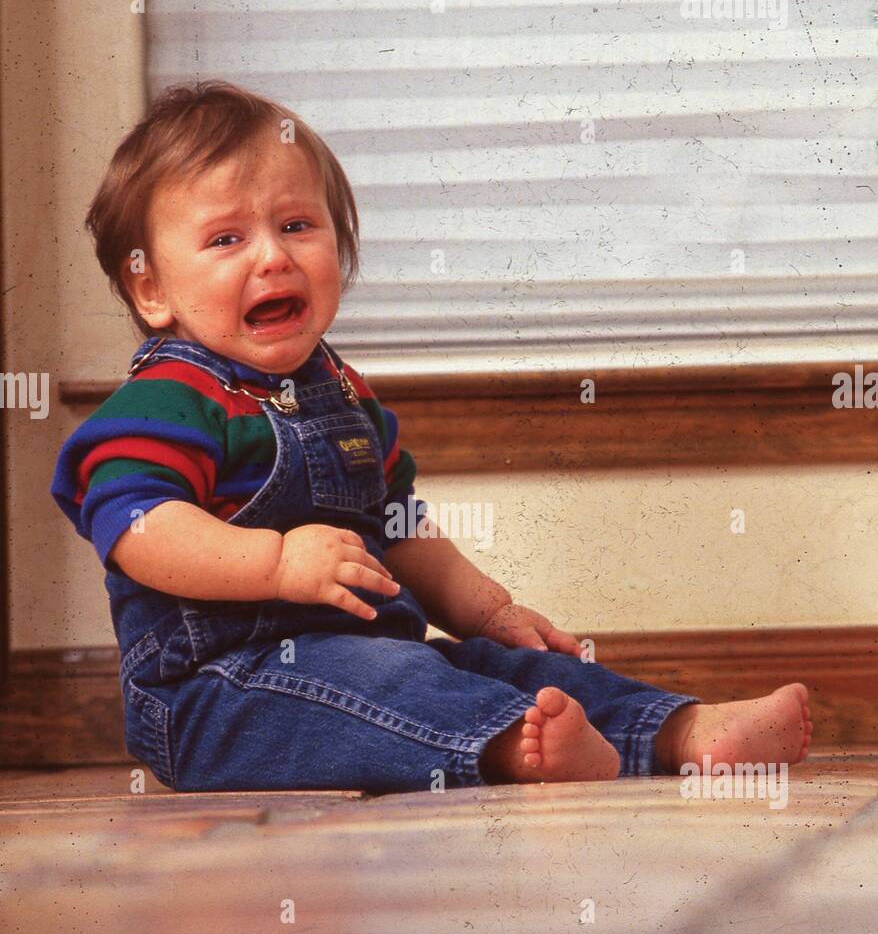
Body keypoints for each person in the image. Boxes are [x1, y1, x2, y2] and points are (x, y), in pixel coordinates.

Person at [50, 82, 812, 793]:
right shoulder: (163, 404)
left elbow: (401, 530)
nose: (274, 256)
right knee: (394, 688)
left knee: (503, 666)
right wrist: (276, 561)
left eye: (296, 226)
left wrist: (486, 610)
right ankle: (521, 752)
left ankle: (686, 732)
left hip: (375, 655)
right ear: (151, 288)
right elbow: (139, 531)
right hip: (220, 692)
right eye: (225, 240)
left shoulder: (340, 393)